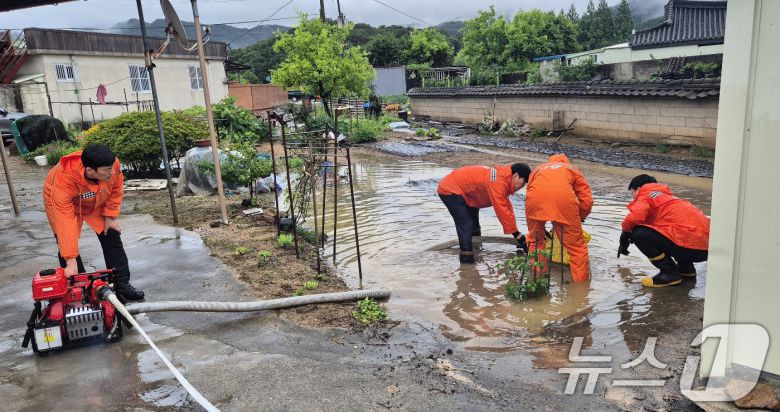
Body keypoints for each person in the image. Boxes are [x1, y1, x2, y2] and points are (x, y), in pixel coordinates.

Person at [43, 143, 144, 300]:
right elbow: (65, 219)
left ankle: (122, 285)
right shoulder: (65, 179)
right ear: (90, 170)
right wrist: (70, 260)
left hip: (96, 197)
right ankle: (81, 289)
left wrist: (110, 216)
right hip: (63, 202)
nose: (111, 172)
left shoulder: (111, 165)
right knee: (66, 242)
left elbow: (116, 189)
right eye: (107, 170)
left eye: (112, 168)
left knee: (112, 234)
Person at [618, 174, 709, 288]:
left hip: (690, 247)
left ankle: (669, 273)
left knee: (638, 233)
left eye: (632, 193)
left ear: (638, 189)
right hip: (705, 250)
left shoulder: (646, 194)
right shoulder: (669, 199)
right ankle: (686, 270)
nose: (633, 198)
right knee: (672, 231)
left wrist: (625, 234)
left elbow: (635, 217)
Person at [437, 163, 532, 264]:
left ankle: (476, 250)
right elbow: (501, 211)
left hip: (467, 193)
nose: (522, 187)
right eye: (523, 183)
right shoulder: (498, 181)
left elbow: (507, 208)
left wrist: (517, 234)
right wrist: (517, 235)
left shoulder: (503, 178)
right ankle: (467, 264)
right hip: (450, 189)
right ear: (516, 176)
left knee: (474, 225)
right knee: (466, 224)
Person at [525, 154, 593, 282]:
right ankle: (581, 290)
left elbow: (529, 192)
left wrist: (538, 219)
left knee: (535, 241)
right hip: (563, 203)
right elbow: (587, 200)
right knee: (576, 248)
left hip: (534, 202)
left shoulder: (538, 169)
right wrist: (580, 216)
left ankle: (538, 280)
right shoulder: (572, 169)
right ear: (566, 161)